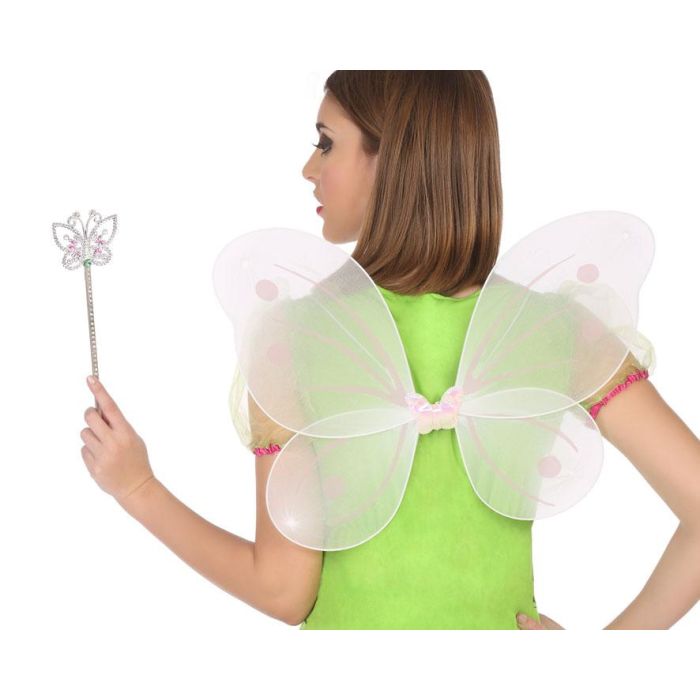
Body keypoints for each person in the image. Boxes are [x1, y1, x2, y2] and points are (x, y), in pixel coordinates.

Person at [79, 71, 700, 630]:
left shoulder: (299, 336)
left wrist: (139, 489)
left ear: (393, 157)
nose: (309, 168)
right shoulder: (549, 326)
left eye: (326, 142)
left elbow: (283, 592)